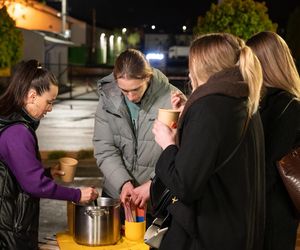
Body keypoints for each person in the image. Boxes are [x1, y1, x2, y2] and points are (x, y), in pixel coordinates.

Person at [152, 33, 265, 250]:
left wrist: (168, 144)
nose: (189, 73)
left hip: (208, 233)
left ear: (201, 68)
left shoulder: (209, 107)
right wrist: (189, 116)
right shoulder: (240, 98)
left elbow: (185, 185)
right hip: (236, 228)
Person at [0, 60, 99, 250]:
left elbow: (14, 173)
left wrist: (46, 173)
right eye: (49, 101)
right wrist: (77, 195)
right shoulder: (18, 132)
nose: (50, 108)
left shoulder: (10, 121)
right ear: (32, 96)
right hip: (9, 229)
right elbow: (34, 185)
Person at [93, 49, 185, 221]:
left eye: (135, 89)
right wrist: (122, 183)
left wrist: (152, 185)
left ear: (148, 77)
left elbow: (181, 156)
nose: (130, 97)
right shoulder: (108, 98)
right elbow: (104, 148)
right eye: (124, 90)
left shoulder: (173, 100)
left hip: (157, 202)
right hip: (117, 197)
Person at [247, 31, 300, 250]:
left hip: (271, 212)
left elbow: (270, 165)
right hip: (272, 210)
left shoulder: (286, 107)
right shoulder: (277, 104)